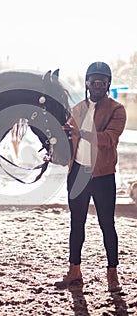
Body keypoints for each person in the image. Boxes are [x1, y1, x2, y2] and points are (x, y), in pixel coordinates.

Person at [55, 61, 126, 292]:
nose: (97, 85)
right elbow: (68, 138)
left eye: (102, 82)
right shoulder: (76, 109)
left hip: (103, 176)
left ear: (108, 84)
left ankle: (112, 274)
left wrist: (80, 132)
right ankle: (74, 272)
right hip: (77, 174)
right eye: (93, 81)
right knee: (77, 224)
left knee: (107, 224)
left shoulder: (117, 110)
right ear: (87, 83)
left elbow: (109, 139)